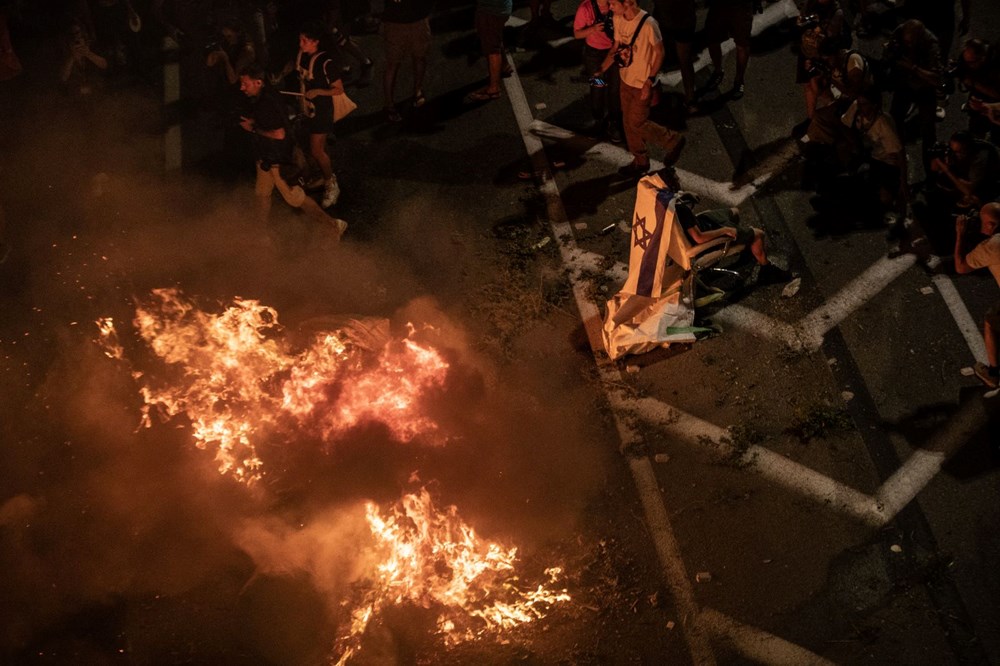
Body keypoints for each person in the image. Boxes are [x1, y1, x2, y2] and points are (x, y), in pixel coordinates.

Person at [238, 65, 347, 239]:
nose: (242, 87)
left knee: (294, 197)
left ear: (258, 82)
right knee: (262, 193)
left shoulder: (265, 103)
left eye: (245, 84)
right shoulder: (268, 95)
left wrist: (252, 128)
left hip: (278, 160)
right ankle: (260, 234)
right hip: (266, 156)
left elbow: (278, 134)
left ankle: (333, 225)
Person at [594, 0, 685, 178]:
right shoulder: (618, 18)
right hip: (625, 80)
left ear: (626, 2)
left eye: (612, 4)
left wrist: (649, 81)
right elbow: (616, 47)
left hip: (641, 83)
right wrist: (602, 69)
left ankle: (673, 140)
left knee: (636, 122)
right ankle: (640, 162)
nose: (609, 8)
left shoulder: (649, 24)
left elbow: (660, 53)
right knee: (628, 123)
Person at [661, 167, 793, 283]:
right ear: (671, 185)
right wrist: (724, 230)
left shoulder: (662, 206)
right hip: (706, 235)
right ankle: (766, 271)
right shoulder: (682, 211)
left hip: (702, 223)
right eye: (676, 180)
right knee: (759, 234)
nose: (679, 180)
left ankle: (745, 241)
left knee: (734, 212)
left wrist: (684, 196)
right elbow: (699, 238)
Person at [883, 19, 943, 173]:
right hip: (904, 84)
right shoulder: (900, 32)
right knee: (894, 120)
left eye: (912, 43)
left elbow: (936, 78)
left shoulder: (931, 44)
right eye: (906, 42)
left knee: (928, 131)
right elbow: (889, 52)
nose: (908, 45)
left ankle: (931, 172)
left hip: (924, 88)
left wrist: (914, 68)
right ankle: (896, 160)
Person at [295, 22, 343, 208]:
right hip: (307, 109)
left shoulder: (325, 62)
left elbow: (338, 89)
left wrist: (319, 92)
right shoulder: (304, 57)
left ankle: (331, 184)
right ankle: (324, 175)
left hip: (321, 111)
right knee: (317, 147)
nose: (300, 44)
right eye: (300, 39)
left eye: (304, 40)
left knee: (316, 150)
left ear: (315, 42)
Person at [954, 202, 1000, 388]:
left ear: (991, 225)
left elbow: (960, 267)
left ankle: (994, 374)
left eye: (982, 221)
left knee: (990, 321)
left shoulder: (990, 247)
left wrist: (959, 235)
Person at [573, 0, 622, 141]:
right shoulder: (586, 7)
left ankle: (614, 123)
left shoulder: (614, 4)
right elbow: (577, 34)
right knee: (597, 86)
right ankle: (598, 120)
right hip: (593, 54)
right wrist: (593, 29)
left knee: (614, 89)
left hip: (613, 52)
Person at [381, 0, 433, 122]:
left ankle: (417, 90)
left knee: (419, 57)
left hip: (418, 20)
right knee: (393, 64)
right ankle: (389, 104)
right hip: (394, 22)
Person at [703, 0, 756, 101]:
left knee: (742, 44)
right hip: (718, 5)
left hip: (742, 6)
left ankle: (739, 80)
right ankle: (718, 71)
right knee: (712, 39)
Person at [652, 0, 696, 111]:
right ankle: (690, 99)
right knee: (681, 59)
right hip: (673, 20)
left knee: (683, 59)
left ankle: (690, 98)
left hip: (679, 21)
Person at [469, 0, 511, 101]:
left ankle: (493, 89)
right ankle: (504, 66)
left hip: (491, 11)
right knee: (495, 38)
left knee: (492, 49)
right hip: (502, 8)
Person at [60, 20, 108, 96]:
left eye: (77, 32)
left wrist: (88, 54)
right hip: (75, 92)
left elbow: (104, 65)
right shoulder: (65, 50)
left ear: (83, 33)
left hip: (95, 88)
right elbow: (63, 77)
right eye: (71, 34)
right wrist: (72, 57)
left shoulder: (92, 45)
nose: (75, 36)